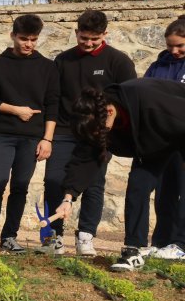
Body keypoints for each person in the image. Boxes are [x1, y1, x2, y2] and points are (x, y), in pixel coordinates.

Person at [54, 79, 185, 271]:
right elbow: (85, 158)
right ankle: (134, 250)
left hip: (177, 125)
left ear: (109, 112)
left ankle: (181, 246)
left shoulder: (152, 104)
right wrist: (68, 198)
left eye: (101, 130)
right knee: (138, 185)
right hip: (153, 141)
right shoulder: (95, 118)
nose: (100, 134)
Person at [43, 10, 136, 256]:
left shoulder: (119, 61)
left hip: (99, 134)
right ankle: (54, 236)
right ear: (76, 33)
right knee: (53, 180)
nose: (88, 43)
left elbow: (128, 99)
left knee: (94, 184)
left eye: (94, 39)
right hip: (64, 129)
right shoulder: (63, 61)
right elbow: (52, 98)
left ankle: (86, 235)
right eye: (83, 38)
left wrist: (108, 127)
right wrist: (48, 135)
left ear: (105, 34)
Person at [0, 14, 59, 254]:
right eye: (24, 38)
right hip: (2, 134)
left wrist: (47, 139)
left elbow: (53, 104)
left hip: (33, 137)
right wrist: (15, 110)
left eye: (33, 39)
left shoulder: (47, 67)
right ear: (13, 35)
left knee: (20, 187)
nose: (29, 44)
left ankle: (10, 236)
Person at [143, 16, 185, 259]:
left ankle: (180, 244)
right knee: (164, 194)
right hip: (163, 141)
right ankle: (161, 242)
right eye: (170, 46)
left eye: (180, 46)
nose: (174, 50)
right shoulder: (160, 64)